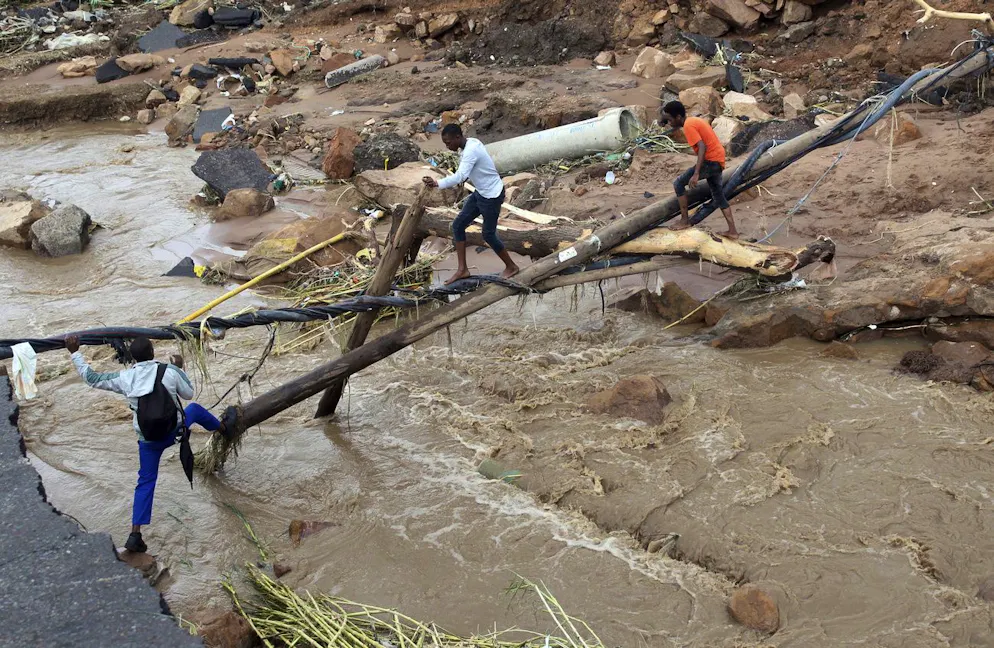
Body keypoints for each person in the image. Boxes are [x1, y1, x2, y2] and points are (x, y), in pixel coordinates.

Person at [65, 335, 223, 554]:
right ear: (153, 353)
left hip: (148, 441)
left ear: (132, 357)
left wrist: (74, 352)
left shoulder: (126, 377)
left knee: (146, 482)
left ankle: (135, 534)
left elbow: (91, 378)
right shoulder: (169, 371)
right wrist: (180, 367)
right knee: (194, 409)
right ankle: (224, 429)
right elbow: (188, 393)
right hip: (173, 431)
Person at [422, 124, 519, 284]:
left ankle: (512, 266)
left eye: (448, 142)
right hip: (481, 192)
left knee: (488, 234)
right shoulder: (469, 143)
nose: (447, 146)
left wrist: (437, 183)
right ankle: (462, 270)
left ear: (458, 138)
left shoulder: (470, 151)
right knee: (458, 225)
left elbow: (460, 176)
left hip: (492, 196)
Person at [659, 101, 739, 239]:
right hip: (718, 158)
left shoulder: (689, 126)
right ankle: (733, 231)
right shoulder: (693, 120)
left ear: (678, 117)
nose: (669, 123)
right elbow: (665, 113)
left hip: (711, 160)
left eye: (670, 120)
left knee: (678, 183)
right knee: (718, 195)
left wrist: (696, 173)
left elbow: (702, 147)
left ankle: (684, 221)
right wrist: (663, 120)